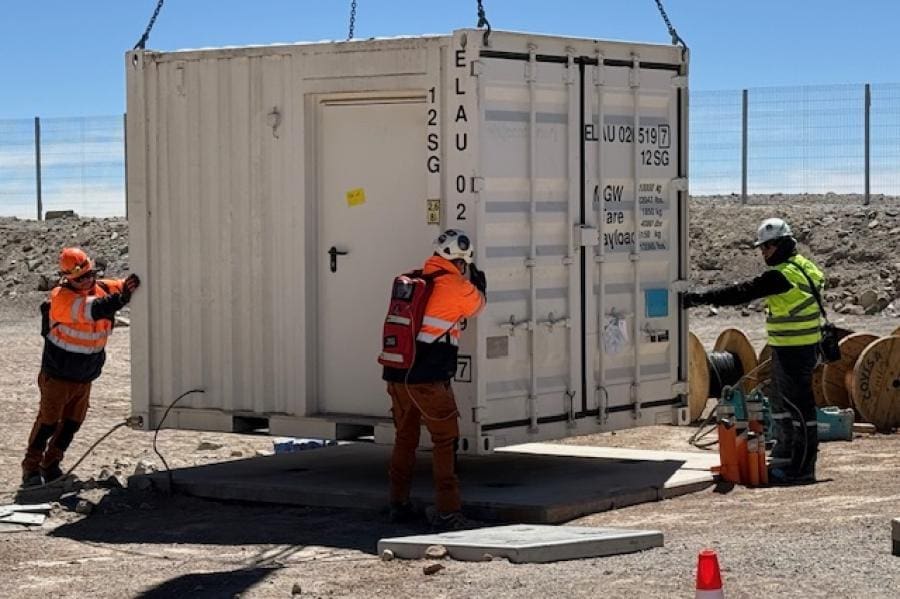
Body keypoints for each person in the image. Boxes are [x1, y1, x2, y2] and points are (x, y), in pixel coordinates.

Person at [683, 217, 824, 485]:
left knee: (800, 411)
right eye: (762, 248)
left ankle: (802, 469)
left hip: (795, 351)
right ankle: (784, 457)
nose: (764, 253)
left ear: (782, 244)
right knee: (783, 405)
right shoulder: (806, 268)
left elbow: (742, 292)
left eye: (767, 247)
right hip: (794, 350)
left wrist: (700, 297)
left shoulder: (784, 275)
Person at [382, 228, 486, 530]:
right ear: (462, 259)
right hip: (429, 378)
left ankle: (398, 504)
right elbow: (478, 305)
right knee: (444, 441)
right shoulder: (454, 284)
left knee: (405, 439)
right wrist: (477, 282)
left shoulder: (417, 279)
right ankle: (448, 512)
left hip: (398, 374)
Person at [21, 247, 141, 486]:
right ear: (68, 279)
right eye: (80, 278)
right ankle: (31, 469)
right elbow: (91, 310)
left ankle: (51, 464)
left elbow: (126, 286)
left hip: (84, 376)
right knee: (48, 423)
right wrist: (121, 299)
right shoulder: (60, 298)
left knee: (72, 424)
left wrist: (134, 283)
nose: (87, 281)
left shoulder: (103, 288)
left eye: (90, 275)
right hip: (57, 376)